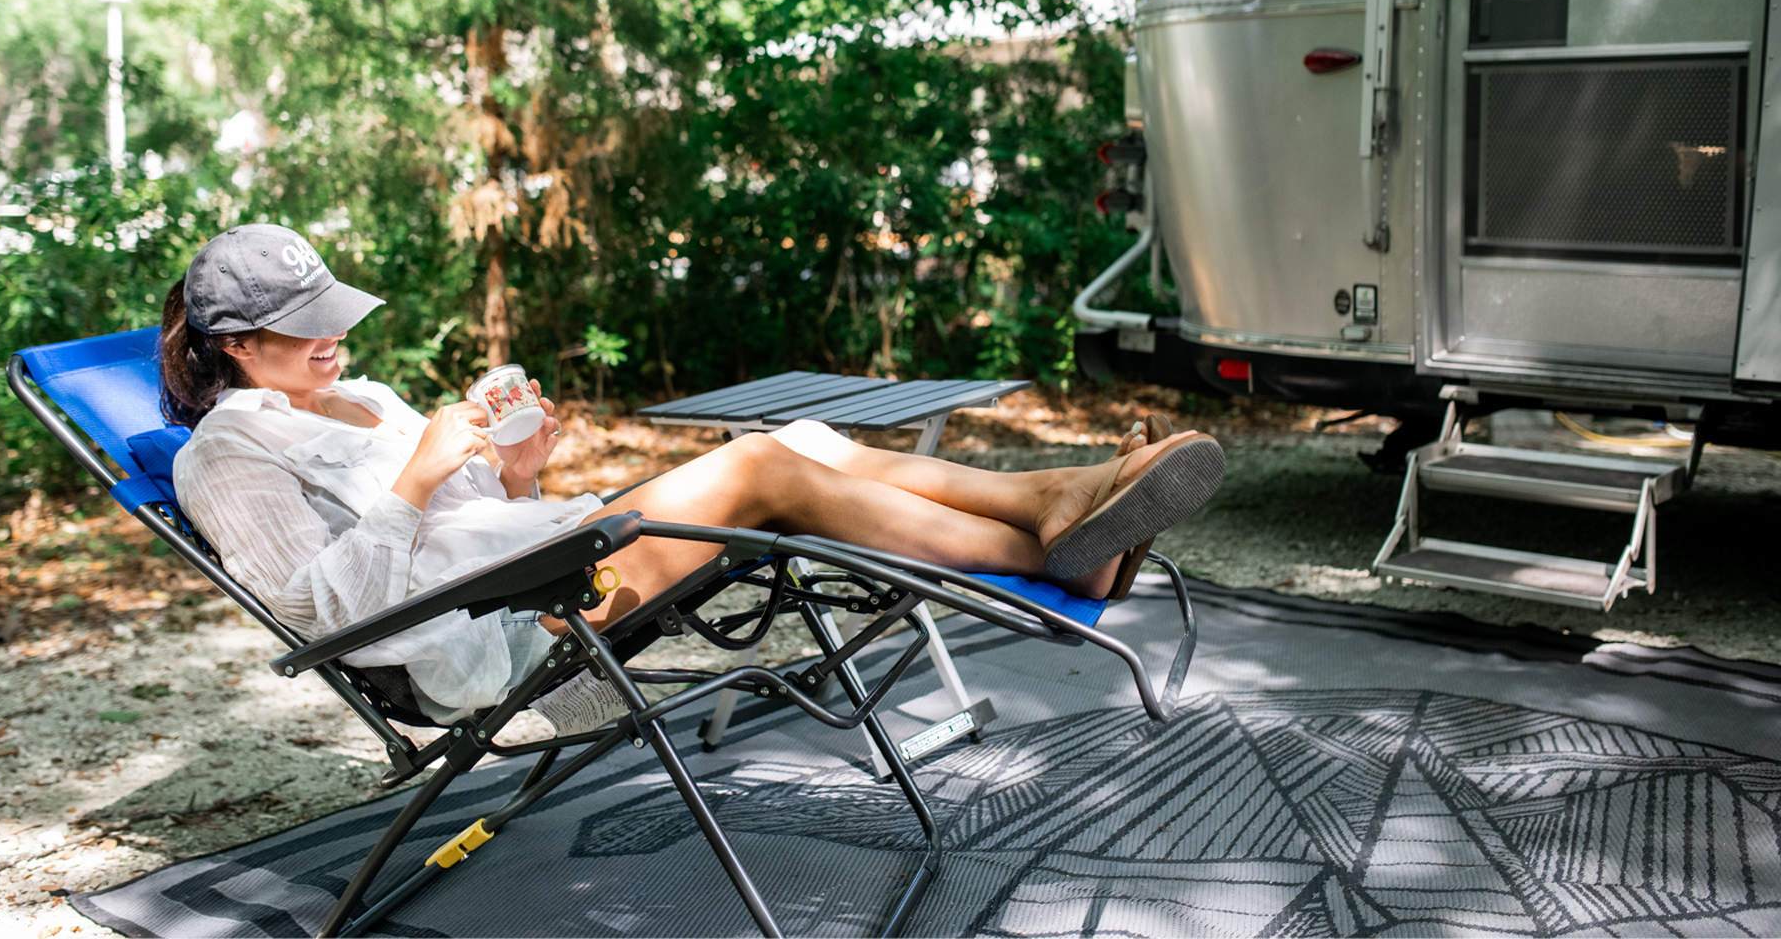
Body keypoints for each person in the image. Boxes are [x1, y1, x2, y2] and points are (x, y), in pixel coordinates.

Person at [163, 225, 1223, 725]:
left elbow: (468, 521)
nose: (331, 341)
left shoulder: (366, 398)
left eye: (332, 318)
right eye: (300, 332)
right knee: (762, 466)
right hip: (483, 633)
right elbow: (318, 615)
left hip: (533, 562)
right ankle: (1053, 525)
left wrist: (517, 476)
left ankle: (1056, 504)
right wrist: (413, 485)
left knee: (802, 438)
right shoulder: (227, 453)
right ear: (232, 345)